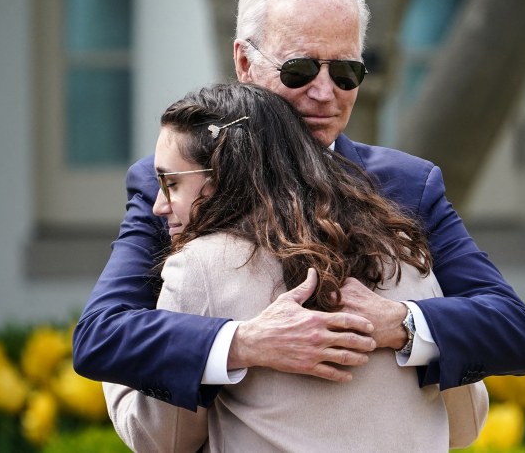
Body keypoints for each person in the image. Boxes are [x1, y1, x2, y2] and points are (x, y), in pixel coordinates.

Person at [73, 0, 525, 413]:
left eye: (345, 73)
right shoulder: (177, 182)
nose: (324, 93)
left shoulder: (406, 184)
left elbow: (517, 331)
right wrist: (248, 342)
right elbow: (100, 336)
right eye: (299, 70)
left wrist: (399, 324)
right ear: (244, 62)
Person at [104, 82, 487, 451]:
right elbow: (467, 424)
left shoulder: (198, 269)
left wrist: (120, 370)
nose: (158, 205)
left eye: (170, 182)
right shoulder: (403, 251)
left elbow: (161, 440)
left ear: (222, 175)